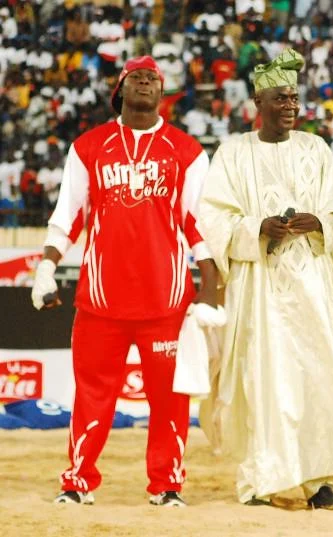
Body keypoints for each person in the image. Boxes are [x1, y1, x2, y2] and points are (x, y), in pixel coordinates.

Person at [30, 56, 219, 507]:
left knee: (169, 399)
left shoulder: (187, 151)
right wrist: (45, 267)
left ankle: (167, 484)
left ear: (162, 92)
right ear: (121, 89)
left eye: (153, 78)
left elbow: (199, 225)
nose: (146, 82)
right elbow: (68, 215)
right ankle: (77, 481)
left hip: (166, 300)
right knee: (92, 396)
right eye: (137, 77)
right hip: (100, 299)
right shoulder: (88, 147)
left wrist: (211, 288)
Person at [196, 49, 333, 508]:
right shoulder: (233, 153)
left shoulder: (316, 149)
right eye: (280, 98)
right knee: (263, 379)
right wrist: (258, 228)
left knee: (318, 377)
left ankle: (319, 480)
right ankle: (263, 480)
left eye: (294, 98)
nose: (290, 106)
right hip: (259, 287)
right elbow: (213, 218)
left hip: (311, 283)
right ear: (259, 102)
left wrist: (320, 223)